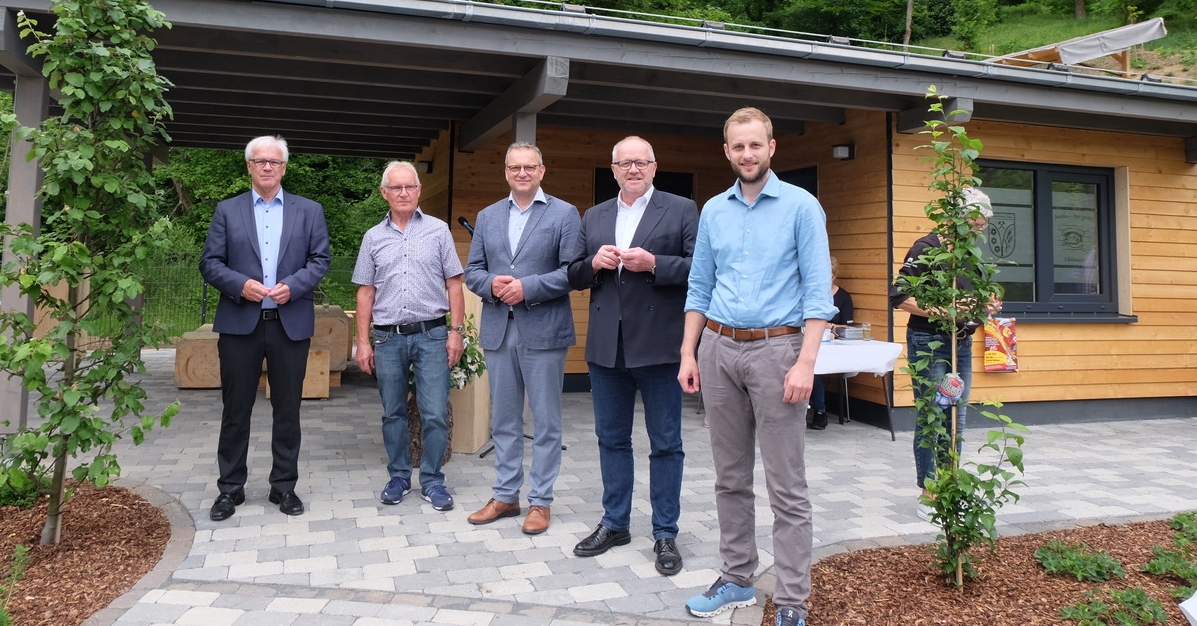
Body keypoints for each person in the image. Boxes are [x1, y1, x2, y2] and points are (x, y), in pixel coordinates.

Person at [678, 108, 836, 626]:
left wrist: (805, 364)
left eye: (755, 145)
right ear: (726, 152)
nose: (746, 154)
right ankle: (737, 578)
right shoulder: (713, 212)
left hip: (778, 352)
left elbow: (818, 294)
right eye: (737, 146)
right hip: (718, 350)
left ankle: (792, 598)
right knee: (729, 478)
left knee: (786, 485)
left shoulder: (801, 207)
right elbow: (699, 287)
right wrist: (688, 352)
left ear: (772, 148)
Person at [566, 136, 697, 575]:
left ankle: (665, 532)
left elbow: (701, 269)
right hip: (607, 347)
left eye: (641, 162)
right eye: (625, 163)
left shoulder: (681, 209)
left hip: (660, 347)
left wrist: (656, 263)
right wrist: (594, 264)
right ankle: (615, 523)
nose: (633, 169)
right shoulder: (595, 214)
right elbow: (576, 274)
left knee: (666, 444)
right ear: (614, 169)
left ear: (655, 167)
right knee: (611, 440)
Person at [199, 135, 331, 521]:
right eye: (260, 161)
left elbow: (320, 259)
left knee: (288, 409)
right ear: (249, 167)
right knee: (235, 409)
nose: (267, 167)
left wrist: (296, 286)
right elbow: (210, 263)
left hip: (289, 324)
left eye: (274, 161)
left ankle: (284, 487)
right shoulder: (227, 210)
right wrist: (240, 285)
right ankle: (230, 489)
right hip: (241, 323)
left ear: (284, 167)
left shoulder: (309, 211)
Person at [463, 142, 580, 535]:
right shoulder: (488, 215)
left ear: (542, 171)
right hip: (499, 327)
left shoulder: (564, 214)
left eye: (530, 167)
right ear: (507, 172)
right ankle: (506, 495)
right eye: (515, 167)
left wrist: (527, 287)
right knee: (504, 419)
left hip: (543, 328)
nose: (523, 173)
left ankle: (541, 501)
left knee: (546, 420)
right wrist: (493, 284)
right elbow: (473, 271)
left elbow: (572, 272)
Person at [352, 161, 465, 511]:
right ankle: (399, 476)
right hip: (388, 339)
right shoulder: (373, 237)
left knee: (433, 412)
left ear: (419, 191)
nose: (404, 193)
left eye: (410, 187)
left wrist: (456, 333)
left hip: (431, 334)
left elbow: (454, 284)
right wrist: (363, 341)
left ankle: (432, 481)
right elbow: (365, 293)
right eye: (396, 188)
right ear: (385, 193)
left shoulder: (438, 231)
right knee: (393, 413)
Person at [888, 187, 996, 521]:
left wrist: (987, 304)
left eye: (980, 228)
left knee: (956, 419)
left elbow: (975, 299)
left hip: (961, 343)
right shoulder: (926, 248)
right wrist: (945, 309)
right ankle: (928, 491)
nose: (978, 233)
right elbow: (899, 296)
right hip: (929, 342)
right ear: (957, 219)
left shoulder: (969, 257)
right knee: (933, 416)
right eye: (975, 226)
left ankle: (950, 489)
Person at [807, 256, 854, 431]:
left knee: (816, 368)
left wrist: (829, 325)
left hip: (831, 343)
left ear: (835, 276)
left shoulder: (843, 297)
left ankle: (820, 412)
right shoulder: (809, 295)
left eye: (830, 276)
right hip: (809, 340)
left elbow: (848, 326)